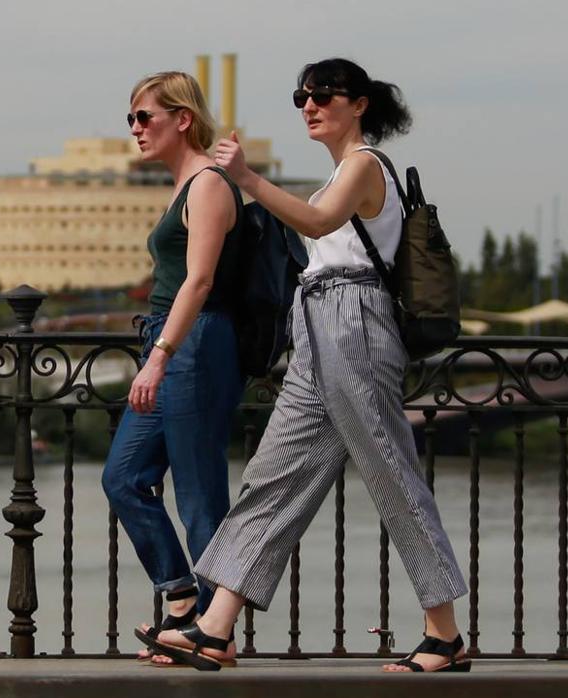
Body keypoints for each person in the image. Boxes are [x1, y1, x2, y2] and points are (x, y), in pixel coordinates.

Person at [139, 58, 471, 673]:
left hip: (356, 323)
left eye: (323, 96)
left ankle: (444, 634)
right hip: (316, 326)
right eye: (301, 97)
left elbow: (319, 223)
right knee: (273, 476)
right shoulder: (333, 176)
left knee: (390, 472)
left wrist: (248, 179)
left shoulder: (366, 166)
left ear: (360, 104)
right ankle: (215, 628)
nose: (310, 106)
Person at [99, 71, 244, 665]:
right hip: (168, 341)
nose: (135, 128)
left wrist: (159, 357)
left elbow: (201, 280)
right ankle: (182, 602)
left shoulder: (207, 184)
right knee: (124, 478)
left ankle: (215, 634)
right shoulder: (186, 183)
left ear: (182, 119)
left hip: (194, 344)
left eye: (144, 117)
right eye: (130, 119)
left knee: (199, 493)